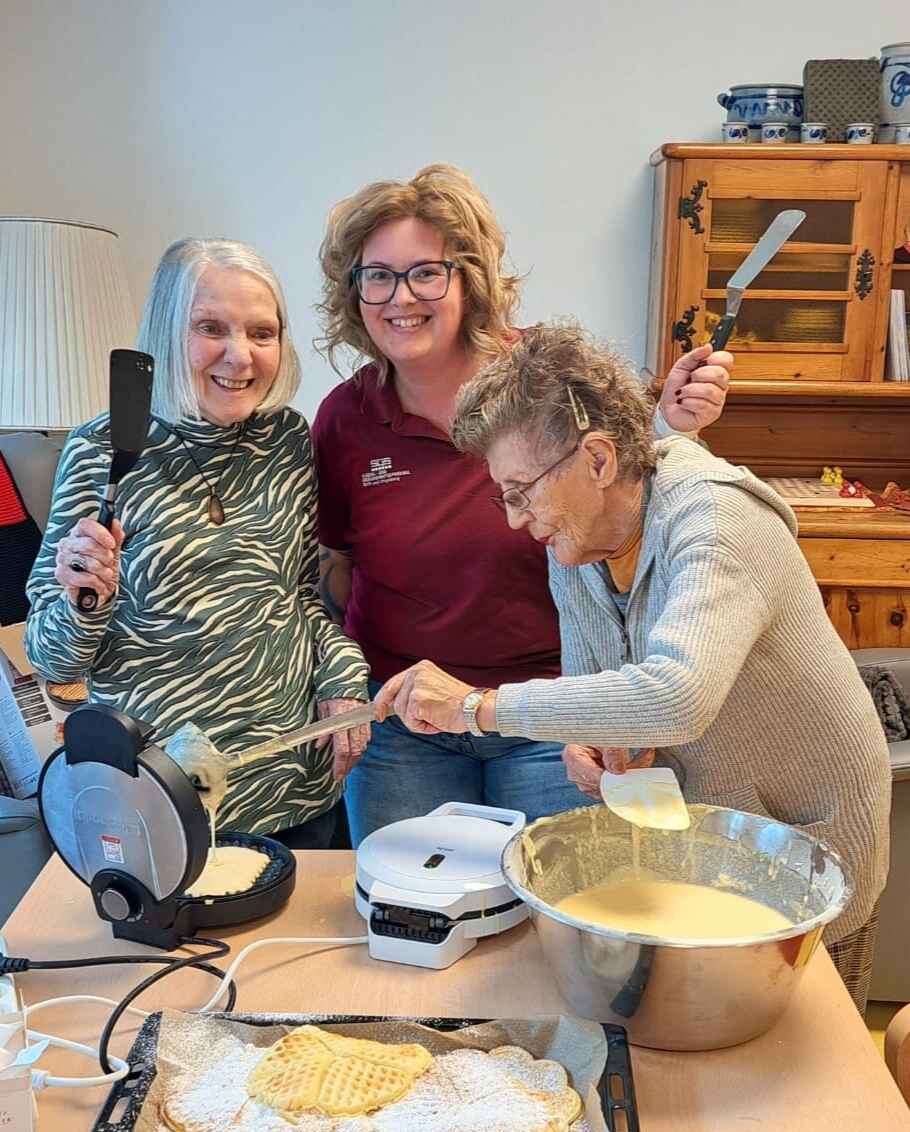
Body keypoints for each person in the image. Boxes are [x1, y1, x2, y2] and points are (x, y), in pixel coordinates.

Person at [373, 320, 891, 1012]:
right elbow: (610, 703)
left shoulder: (717, 522)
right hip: (712, 844)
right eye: (504, 495)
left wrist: (476, 707)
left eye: (521, 490)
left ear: (597, 459)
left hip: (810, 852)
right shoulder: (578, 549)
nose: (514, 519)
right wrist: (595, 748)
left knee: (803, 1087)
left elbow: (676, 696)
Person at [313, 163, 733, 846]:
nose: (400, 297)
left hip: (549, 717)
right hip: (407, 722)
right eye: (377, 275)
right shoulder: (344, 419)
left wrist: (674, 424)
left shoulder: (547, 382)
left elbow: (629, 500)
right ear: (354, 292)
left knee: (553, 925)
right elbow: (335, 567)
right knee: (409, 923)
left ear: (469, 279)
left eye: (426, 272)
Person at [25, 239, 370, 847]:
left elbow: (298, 597)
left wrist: (342, 677)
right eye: (211, 328)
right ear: (165, 331)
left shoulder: (286, 440)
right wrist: (87, 601)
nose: (240, 356)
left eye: (261, 333)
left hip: (294, 783)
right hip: (162, 796)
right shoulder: (100, 451)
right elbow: (54, 661)